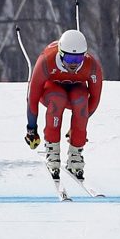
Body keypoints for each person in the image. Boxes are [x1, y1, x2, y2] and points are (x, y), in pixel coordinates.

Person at [24, 29, 104, 179]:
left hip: (76, 90)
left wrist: (77, 127)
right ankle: (52, 151)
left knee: (81, 100)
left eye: (79, 59)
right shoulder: (46, 61)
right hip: (50, 91)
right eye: (69, 58)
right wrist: (31, 129)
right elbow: (32, 97)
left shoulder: (92, 66)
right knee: (57, 99)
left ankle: (76, 154)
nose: (73, 64)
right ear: (60, 53)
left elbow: (94, 100)